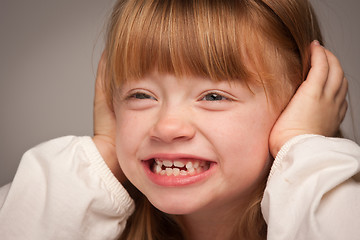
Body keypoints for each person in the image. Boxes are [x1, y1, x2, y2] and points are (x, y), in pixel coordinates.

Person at [0, 0, 359, 239]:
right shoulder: (61, 215)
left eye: (214, 96)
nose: (167, 127)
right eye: (141, 95)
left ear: (301, 100)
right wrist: (105, 153)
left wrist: (301, 145)